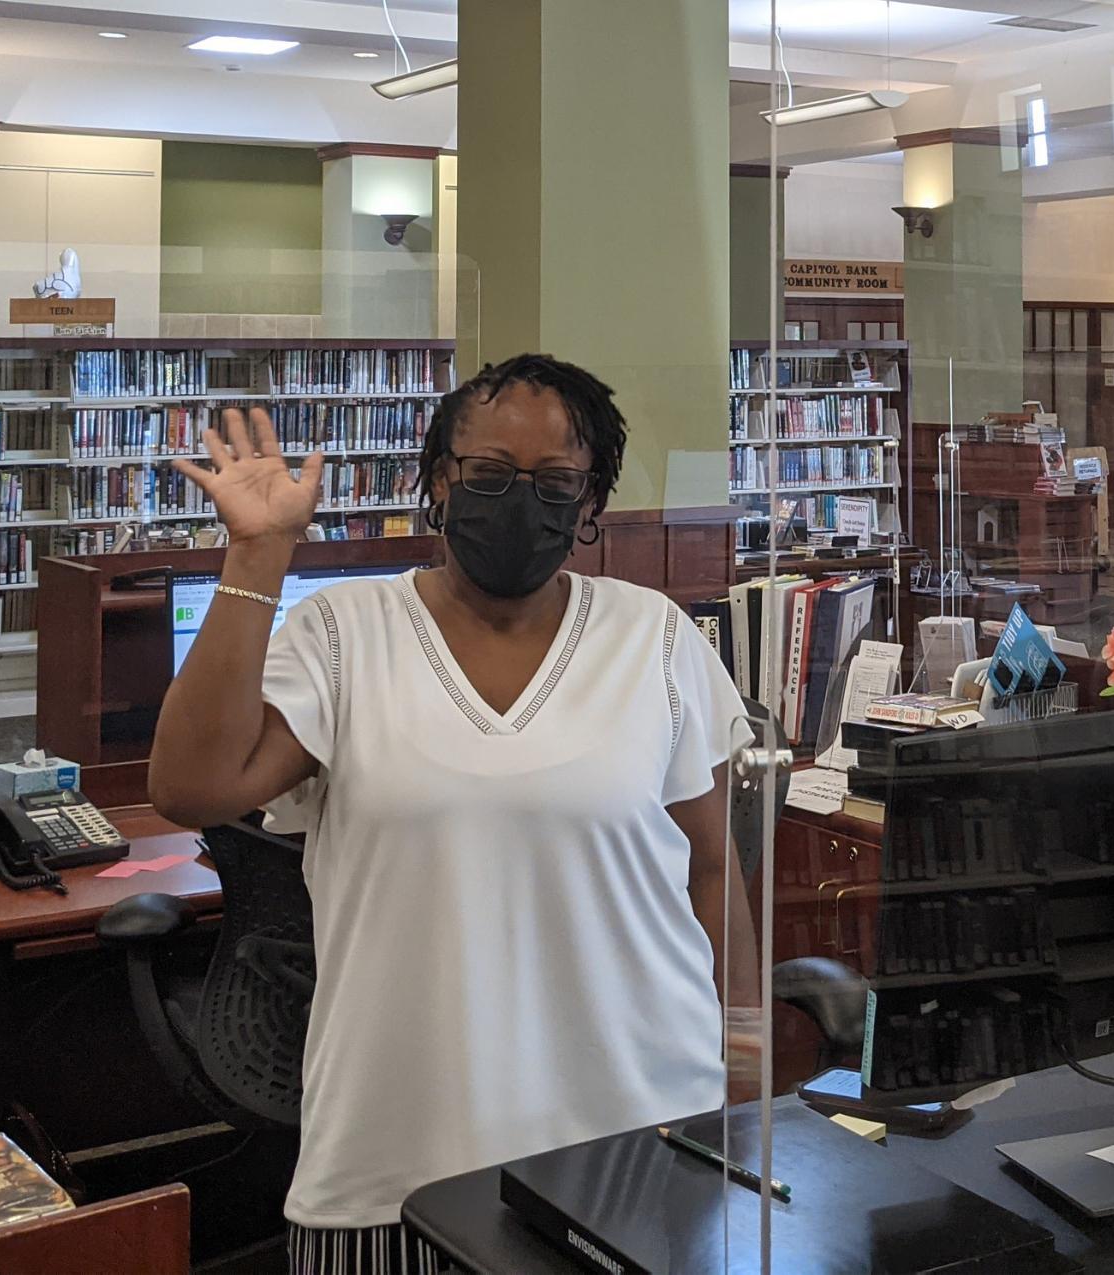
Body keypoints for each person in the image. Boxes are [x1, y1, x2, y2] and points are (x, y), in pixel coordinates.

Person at [149, 354, 759, 1274]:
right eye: (489, 475)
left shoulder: (659, 637)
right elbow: (191, 785)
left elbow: (712, 867)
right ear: (439, 480)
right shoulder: (343, 637)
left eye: (557, 481)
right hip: (397, 1172)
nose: (522, 500)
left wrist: (743, 1068)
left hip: (642, 1151)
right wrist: (258, 554)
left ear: (591, 503)